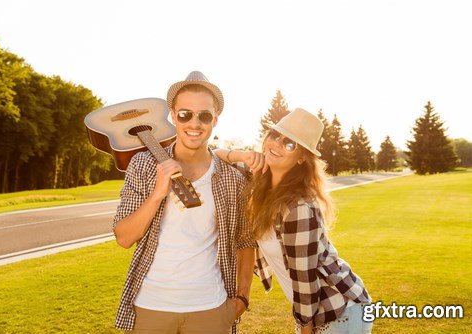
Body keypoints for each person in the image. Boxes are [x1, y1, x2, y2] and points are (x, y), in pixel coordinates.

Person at [112, 71, 255, 334]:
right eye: (185, 114)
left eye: (204, 115)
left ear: (215, 120)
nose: (194, 123)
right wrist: (158, 193)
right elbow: (124, 237)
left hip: (211, 309)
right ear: (172, 115)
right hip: (151, 308)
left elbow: (246, 241)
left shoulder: (233, 179)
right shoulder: (143, 165)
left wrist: (242, 299)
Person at [216, 108, 373, 333]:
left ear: (301, 158)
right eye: (275, 135)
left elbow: (304, 278)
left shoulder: (299, 208)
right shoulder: (259, 178)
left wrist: (305, 328)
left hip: (338, 310)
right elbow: (213, 155)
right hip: (313, 309)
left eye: (290, 143)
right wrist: (240, 155)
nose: (277, 143)